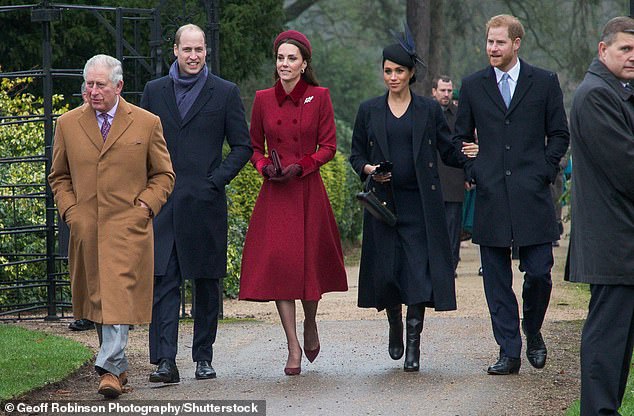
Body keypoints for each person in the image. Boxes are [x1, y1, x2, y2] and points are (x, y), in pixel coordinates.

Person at [48, 54, 175, 398]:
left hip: (128, 227)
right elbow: (58, 176)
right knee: (100, 299)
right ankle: (117, 369)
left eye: (100, 84)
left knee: (117, 294)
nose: (93, 91)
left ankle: (107, 367)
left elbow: (164, 174)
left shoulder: (147, 123)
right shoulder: (68, 124)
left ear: (118, 86)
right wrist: (72, 211)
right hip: (87, 227)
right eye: (88, 84)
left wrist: (145, 207)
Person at [349, 37, 479, 372]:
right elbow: (357, 155)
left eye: (399, 71)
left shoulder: (428, 109)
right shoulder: (369, 110)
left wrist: (471, 155)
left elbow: (447, 150)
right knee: (389, 273)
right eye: (388, 71)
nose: (392, 76)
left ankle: (413, 345)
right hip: (384, 205)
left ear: (410, 74)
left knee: (419, 274)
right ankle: (394, 323)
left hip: (421, 204)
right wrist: (370, 170)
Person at [453, 14, 570, 375]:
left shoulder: (544, 82)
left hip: (533, 196)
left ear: (516, 43)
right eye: (489, 41)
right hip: (491, 196)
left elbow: (560, 135)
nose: (493, 48)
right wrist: (476, 172)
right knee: (496, 278)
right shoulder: (473, 86)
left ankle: (532, 329)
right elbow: (459, 139)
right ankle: (509, 350)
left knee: (539, 273)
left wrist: (544, 172)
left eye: (500, 42)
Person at [141, 24, 252, 383]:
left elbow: (243, 146)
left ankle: (204, 356)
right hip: (164, 204)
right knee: (164, 280)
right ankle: (165, 361)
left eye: (199, 50)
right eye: (187, 49)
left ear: (206, 52)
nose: (193, 56)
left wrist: (215, 181)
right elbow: (139, 146)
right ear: (175, 50)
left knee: (206, 283)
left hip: (205, 203)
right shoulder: (154, 92)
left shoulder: (224, 92)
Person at [239, 30, 348, 376]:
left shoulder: (320, 96)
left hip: (307, 189)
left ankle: (311, 322)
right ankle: (292, 345)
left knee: (309, 267)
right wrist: (263, 167)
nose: (284, 64)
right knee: (280, 266)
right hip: (276, 193)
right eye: (280, 58)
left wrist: (302, 165)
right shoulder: (262, 99)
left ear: (304, 64)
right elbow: (255, 146)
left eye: (291, 58)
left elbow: (328, 147)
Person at [566, 16, 634, 415]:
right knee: (606, 346)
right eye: (625, 49)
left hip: (622, 242)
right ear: (602, 49)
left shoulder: (619, 91)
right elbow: (626, 167)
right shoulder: (595, 96)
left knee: (617, 346)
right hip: (613, 242)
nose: (632, 57)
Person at [431, 75, 465, 278]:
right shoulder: (425, 112)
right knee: (433, 224)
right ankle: (435, 263)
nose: (446, 94)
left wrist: (468, 173)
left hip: (453, 178)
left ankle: (450, 264)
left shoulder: (459, 115)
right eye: (442, 90)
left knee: (453, 226)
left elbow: (464, 143)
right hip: (432, 177)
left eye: (449, 91)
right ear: (434, 91)